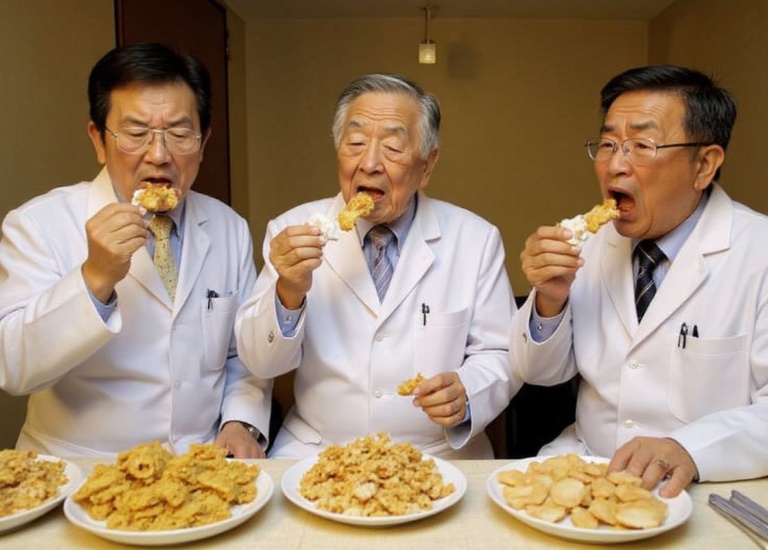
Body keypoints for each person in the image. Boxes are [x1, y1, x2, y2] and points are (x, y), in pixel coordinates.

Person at [0, 42, 270, 458]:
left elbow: (244, 353)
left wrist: (240, 422)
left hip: (199, 467)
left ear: (203, 141)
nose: (159, 154)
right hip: (82, 469)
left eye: (179, 133)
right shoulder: (38, 224)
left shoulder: (228, 226)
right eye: (137, 133)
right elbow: (13, 368)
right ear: (98, 139)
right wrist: (94, 278)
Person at [511, 64, 768, 497]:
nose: (615, 165)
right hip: (586, 467)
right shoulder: (588, 246)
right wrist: (549, 300)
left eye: (642, 145)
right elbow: (540, 374)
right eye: (609, 144)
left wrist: (690, 449)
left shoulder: (758, 251)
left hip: (701, 485)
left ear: (704, 164)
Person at [235, 73, 521, 459]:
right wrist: (287, 289)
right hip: (318, 449)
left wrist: (468, 391)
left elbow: (502, 352)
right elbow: (260, 361)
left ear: (427, 164)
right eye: (355, 144)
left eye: (392, 148)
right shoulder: (290, 230)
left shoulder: (475, 239)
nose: (369, 163)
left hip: (436, 453)